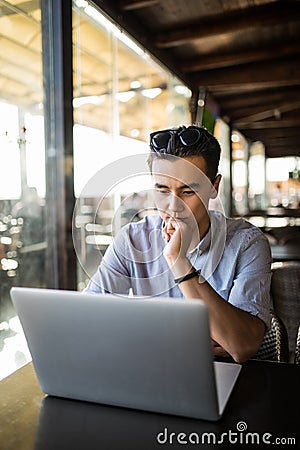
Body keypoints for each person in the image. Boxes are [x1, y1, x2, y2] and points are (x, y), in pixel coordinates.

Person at [85, 125, 272, 363]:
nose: (173, 207)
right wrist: (208, 332)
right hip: (150, 368)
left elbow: (242, 345)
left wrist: (179, 261)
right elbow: (90, 322)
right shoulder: (132, 240)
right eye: (162, 190)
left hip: (223, 375)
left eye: (187, 192)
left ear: (214, 187)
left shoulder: (247, 243)